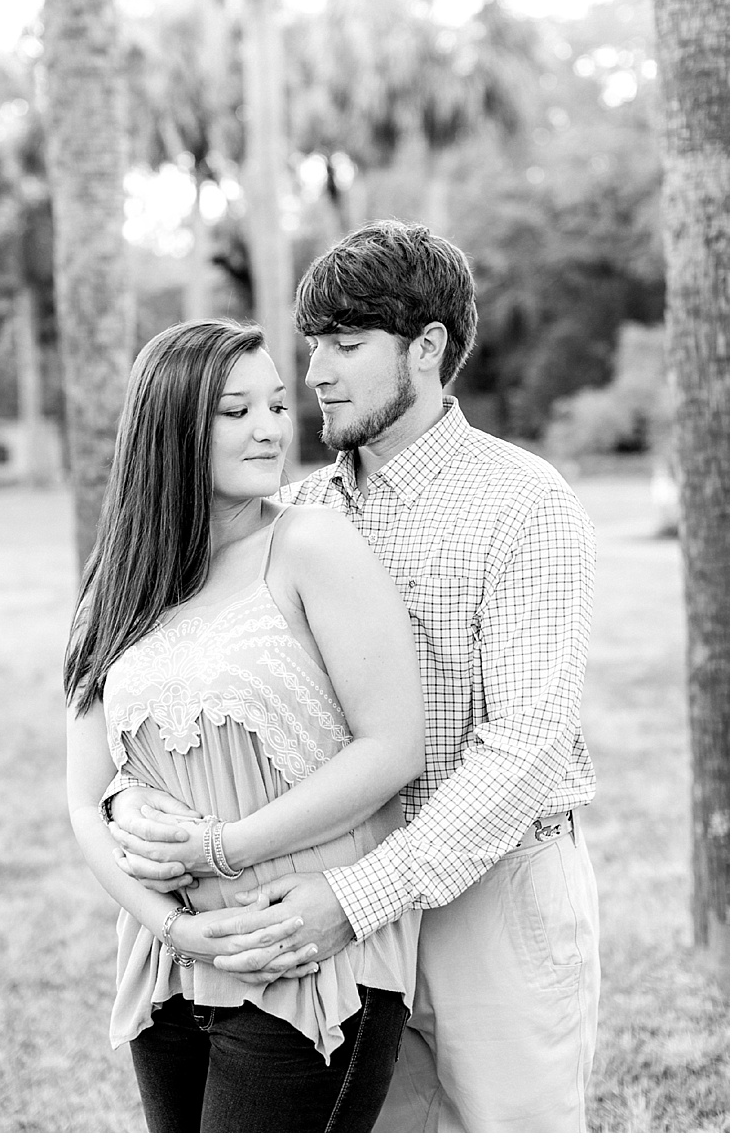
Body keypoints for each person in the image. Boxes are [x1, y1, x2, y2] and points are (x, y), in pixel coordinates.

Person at [110, 220, 600, 1132]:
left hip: (488, 892)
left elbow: (525, 747)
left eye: (346, 345)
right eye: (312, 346)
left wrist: (359, 895)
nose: (315, 374)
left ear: (426, 350)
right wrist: (130, 802)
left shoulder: (523, 503)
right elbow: (189, 673)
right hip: (332, 903)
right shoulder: (291, 510)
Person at [64, 318, 428, 1131]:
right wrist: (174, 930)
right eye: (235, 411)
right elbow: (85, 800)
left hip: (300, 949)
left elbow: (394, 745)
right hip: (169, 961)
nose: (269, 427)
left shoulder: (311, 545)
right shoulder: (118, 584)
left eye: (273, 403)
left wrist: (223, 850)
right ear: (171, 426)